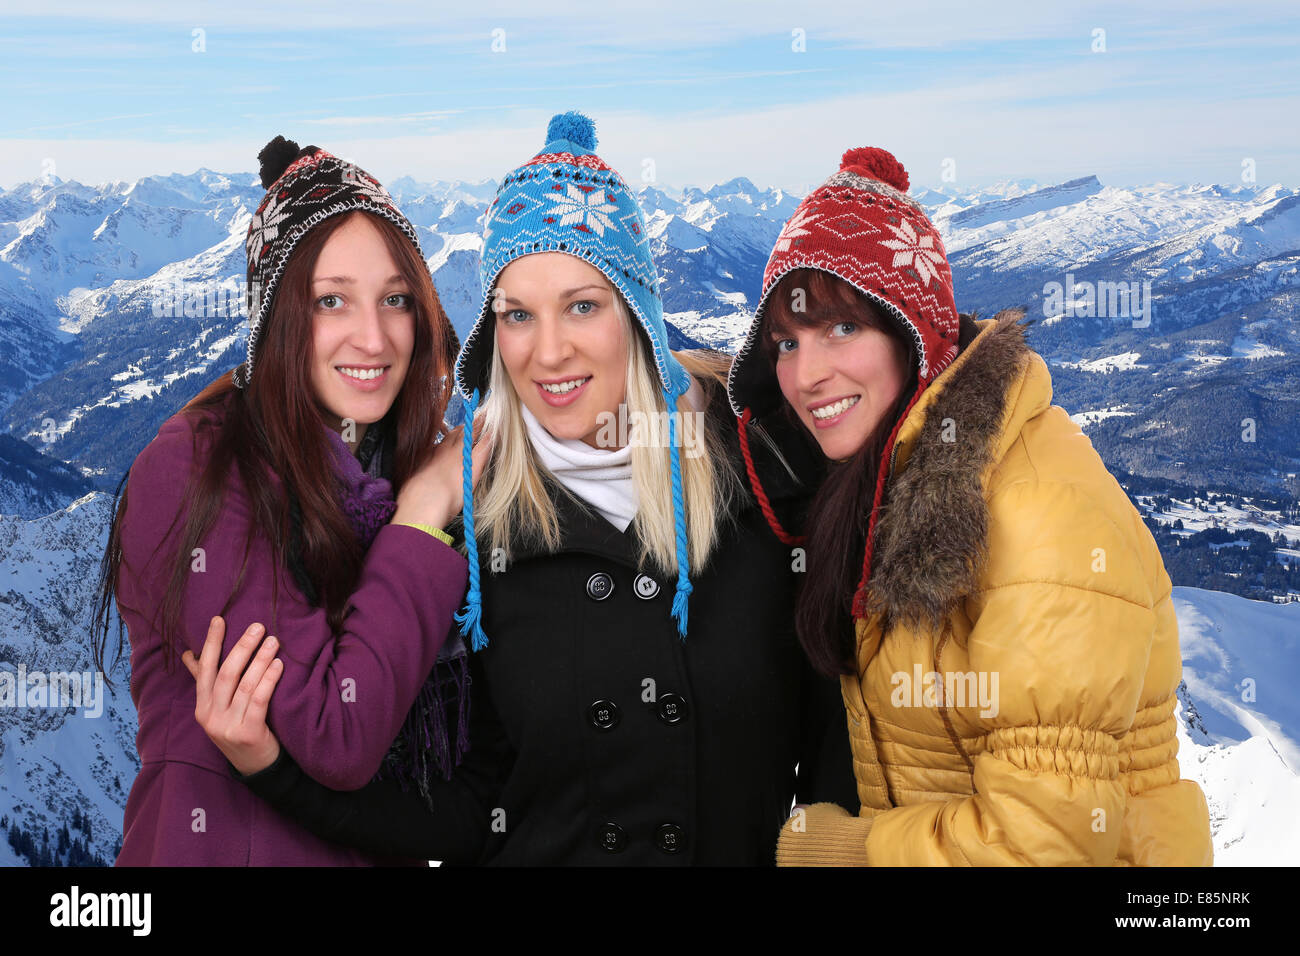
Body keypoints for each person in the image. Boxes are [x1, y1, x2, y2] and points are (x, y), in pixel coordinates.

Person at [188, 112, 859, 865]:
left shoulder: (769, 478)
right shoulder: (473, 531)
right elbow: (473, 809)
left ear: (636, 317)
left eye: (582, 305)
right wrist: (274, 770)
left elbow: (842, 758)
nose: (548, 352)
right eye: (516, 315)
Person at [726, 146, 1215, 866]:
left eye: (842, 328)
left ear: (910, 335)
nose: (806, 374)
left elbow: (1044, 844)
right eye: (786, 343)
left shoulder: (1036, 516)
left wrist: (845, 852)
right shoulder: (892, 474)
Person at [92, 136, 487, 866]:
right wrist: (423, 516)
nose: (373, 337)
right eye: (330, 300)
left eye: (396, 299)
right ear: (276, 319)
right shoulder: (196, 468)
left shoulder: (384, 462)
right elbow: (338, 734)